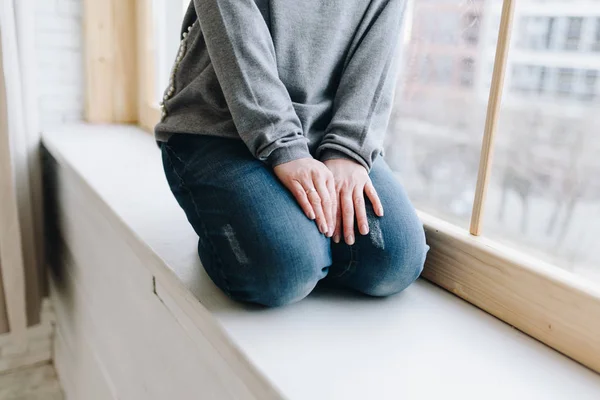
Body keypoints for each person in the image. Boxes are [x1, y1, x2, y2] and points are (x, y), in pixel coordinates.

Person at [156, 0, 429, 307]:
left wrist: (348, 151)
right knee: (284, 269)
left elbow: (380, 45)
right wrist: (284, 146)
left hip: (325, 131)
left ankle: (302, 239)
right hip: (221, 126)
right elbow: (236, 36)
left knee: (394, 260)